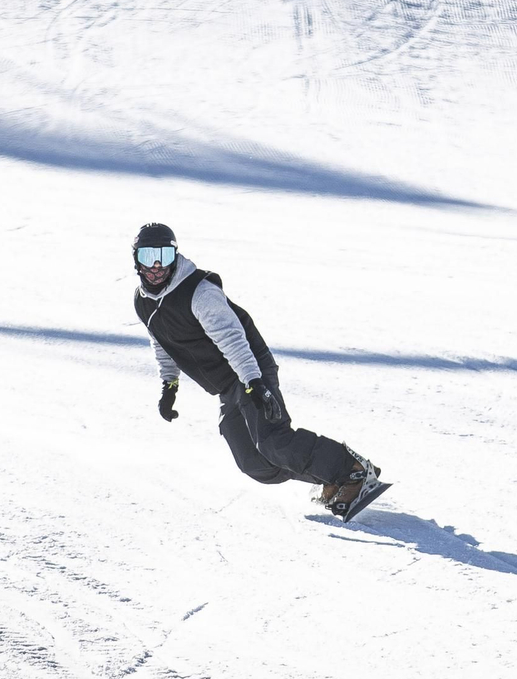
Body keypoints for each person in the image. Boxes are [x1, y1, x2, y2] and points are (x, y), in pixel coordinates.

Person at [131, 222, 381, 518]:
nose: (157, 266)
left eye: (164, 255)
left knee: (273, 440)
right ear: (136, 259)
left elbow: (232, 338)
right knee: (254, 462)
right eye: (148, 256)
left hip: (250, 368)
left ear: (175, 256)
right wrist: (169, 384)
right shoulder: (143, 303)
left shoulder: (199, 292)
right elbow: (162, 341)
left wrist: (254, 381)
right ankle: (331, 476)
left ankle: (352, 471)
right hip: (227, 385)